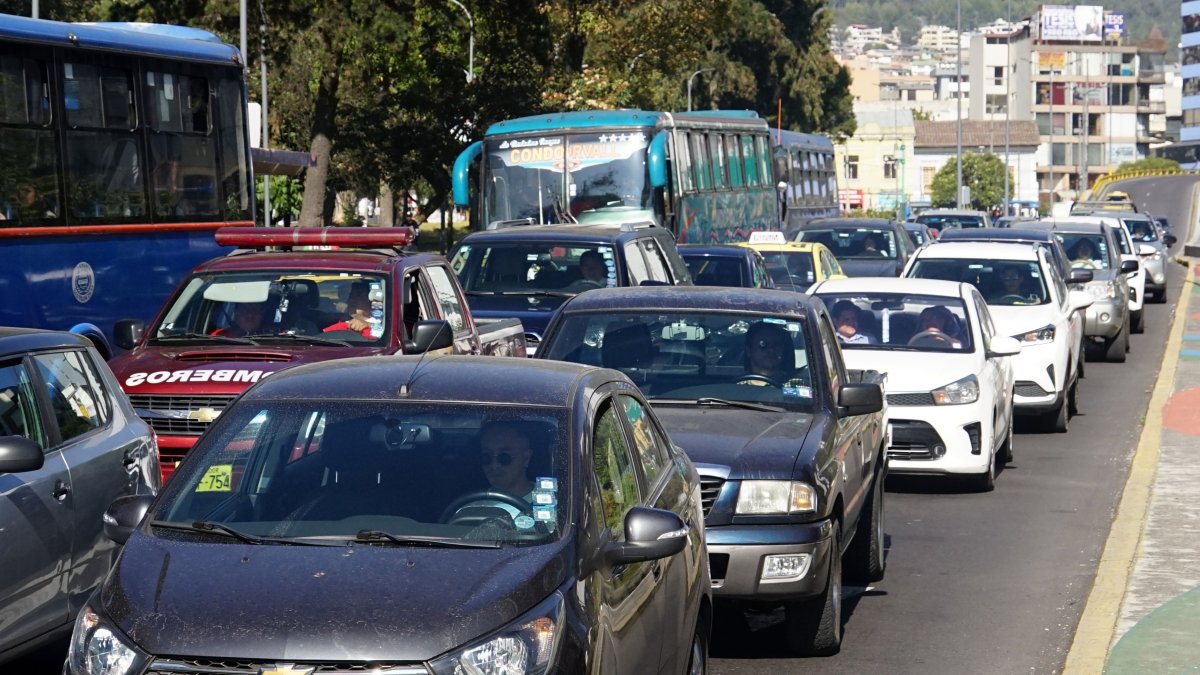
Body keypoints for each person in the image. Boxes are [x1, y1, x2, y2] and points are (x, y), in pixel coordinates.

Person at [737, 321, 807, 388]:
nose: (771, 350)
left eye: (776, 345)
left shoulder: (796, 385)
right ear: (749, 351)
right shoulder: (735, 387)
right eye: (763, 344)